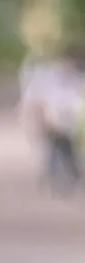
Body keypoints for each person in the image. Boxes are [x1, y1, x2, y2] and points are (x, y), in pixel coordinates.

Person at [21, 52, 85, 192]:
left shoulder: (73, 83)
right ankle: (52, 180)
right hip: (52, 124)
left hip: (68, 126)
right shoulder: (49, 83)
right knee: (53, 151)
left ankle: (69, 177)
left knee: (67, 152)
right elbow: (38, 104)